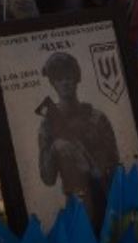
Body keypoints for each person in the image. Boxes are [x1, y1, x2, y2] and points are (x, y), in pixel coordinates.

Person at [35, 51, 118, 220]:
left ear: (76, 79)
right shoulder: (49, 125)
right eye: (59, 78)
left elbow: (115, 164)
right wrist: (55, 148)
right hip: (76, 205)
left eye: (68, 77)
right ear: (53, 84)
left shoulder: (97, 119)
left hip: (105, 197)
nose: (64, 83)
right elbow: (48, 178)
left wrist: (94, 168)